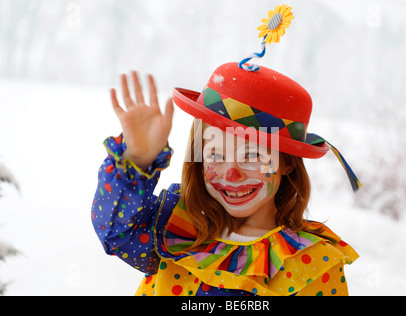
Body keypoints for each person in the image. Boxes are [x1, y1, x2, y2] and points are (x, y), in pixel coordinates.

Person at [92, 5, 360, 296]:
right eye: (215, 155)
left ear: (287, 163)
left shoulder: (311, 265)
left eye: (252, 155)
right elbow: (115, 231)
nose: (230, 173)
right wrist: (137, 161)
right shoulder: (176, 227)